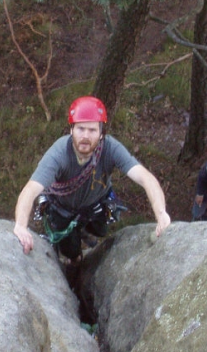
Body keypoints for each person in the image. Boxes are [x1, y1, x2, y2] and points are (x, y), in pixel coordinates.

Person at [13, 96, 171, 261]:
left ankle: (86, 231)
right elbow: (30, 190)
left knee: (100, 230)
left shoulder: (110, 148)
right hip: (63, 208)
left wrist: (161, 214)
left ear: (102, 133)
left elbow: (146, 178)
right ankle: (73, 256)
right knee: (71, 251)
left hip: (95, 204)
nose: (86, 136)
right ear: (71, 130)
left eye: (92, 130)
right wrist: (21, 226)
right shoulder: (59, 154)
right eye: (81, 129)